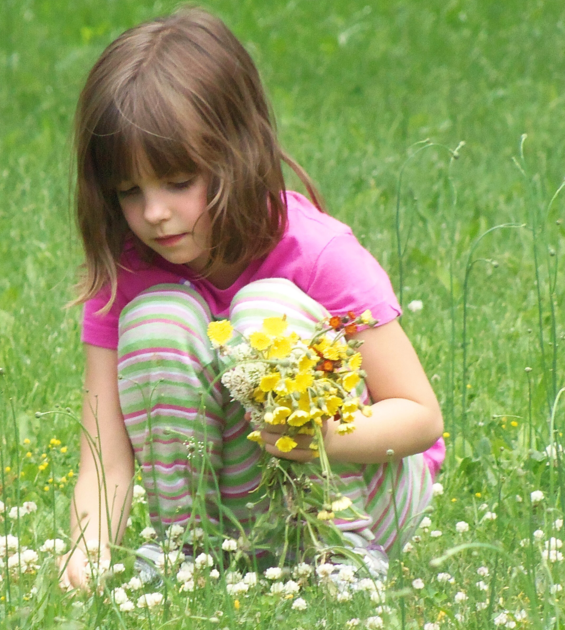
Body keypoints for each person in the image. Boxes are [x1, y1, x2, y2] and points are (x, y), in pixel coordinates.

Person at [61, 7, 444, 589]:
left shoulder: (315, 252)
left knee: (266, 309)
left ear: (236, 152)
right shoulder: (128, 274)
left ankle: (337, 556)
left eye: (178, 182)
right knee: (158, 319)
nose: (154, 213)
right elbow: (106, 455)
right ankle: (187, 551)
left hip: (364, 488)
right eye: (129, 191)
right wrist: (83, 564)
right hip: (240, 513)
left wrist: (317, 436)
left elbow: (420, 418)